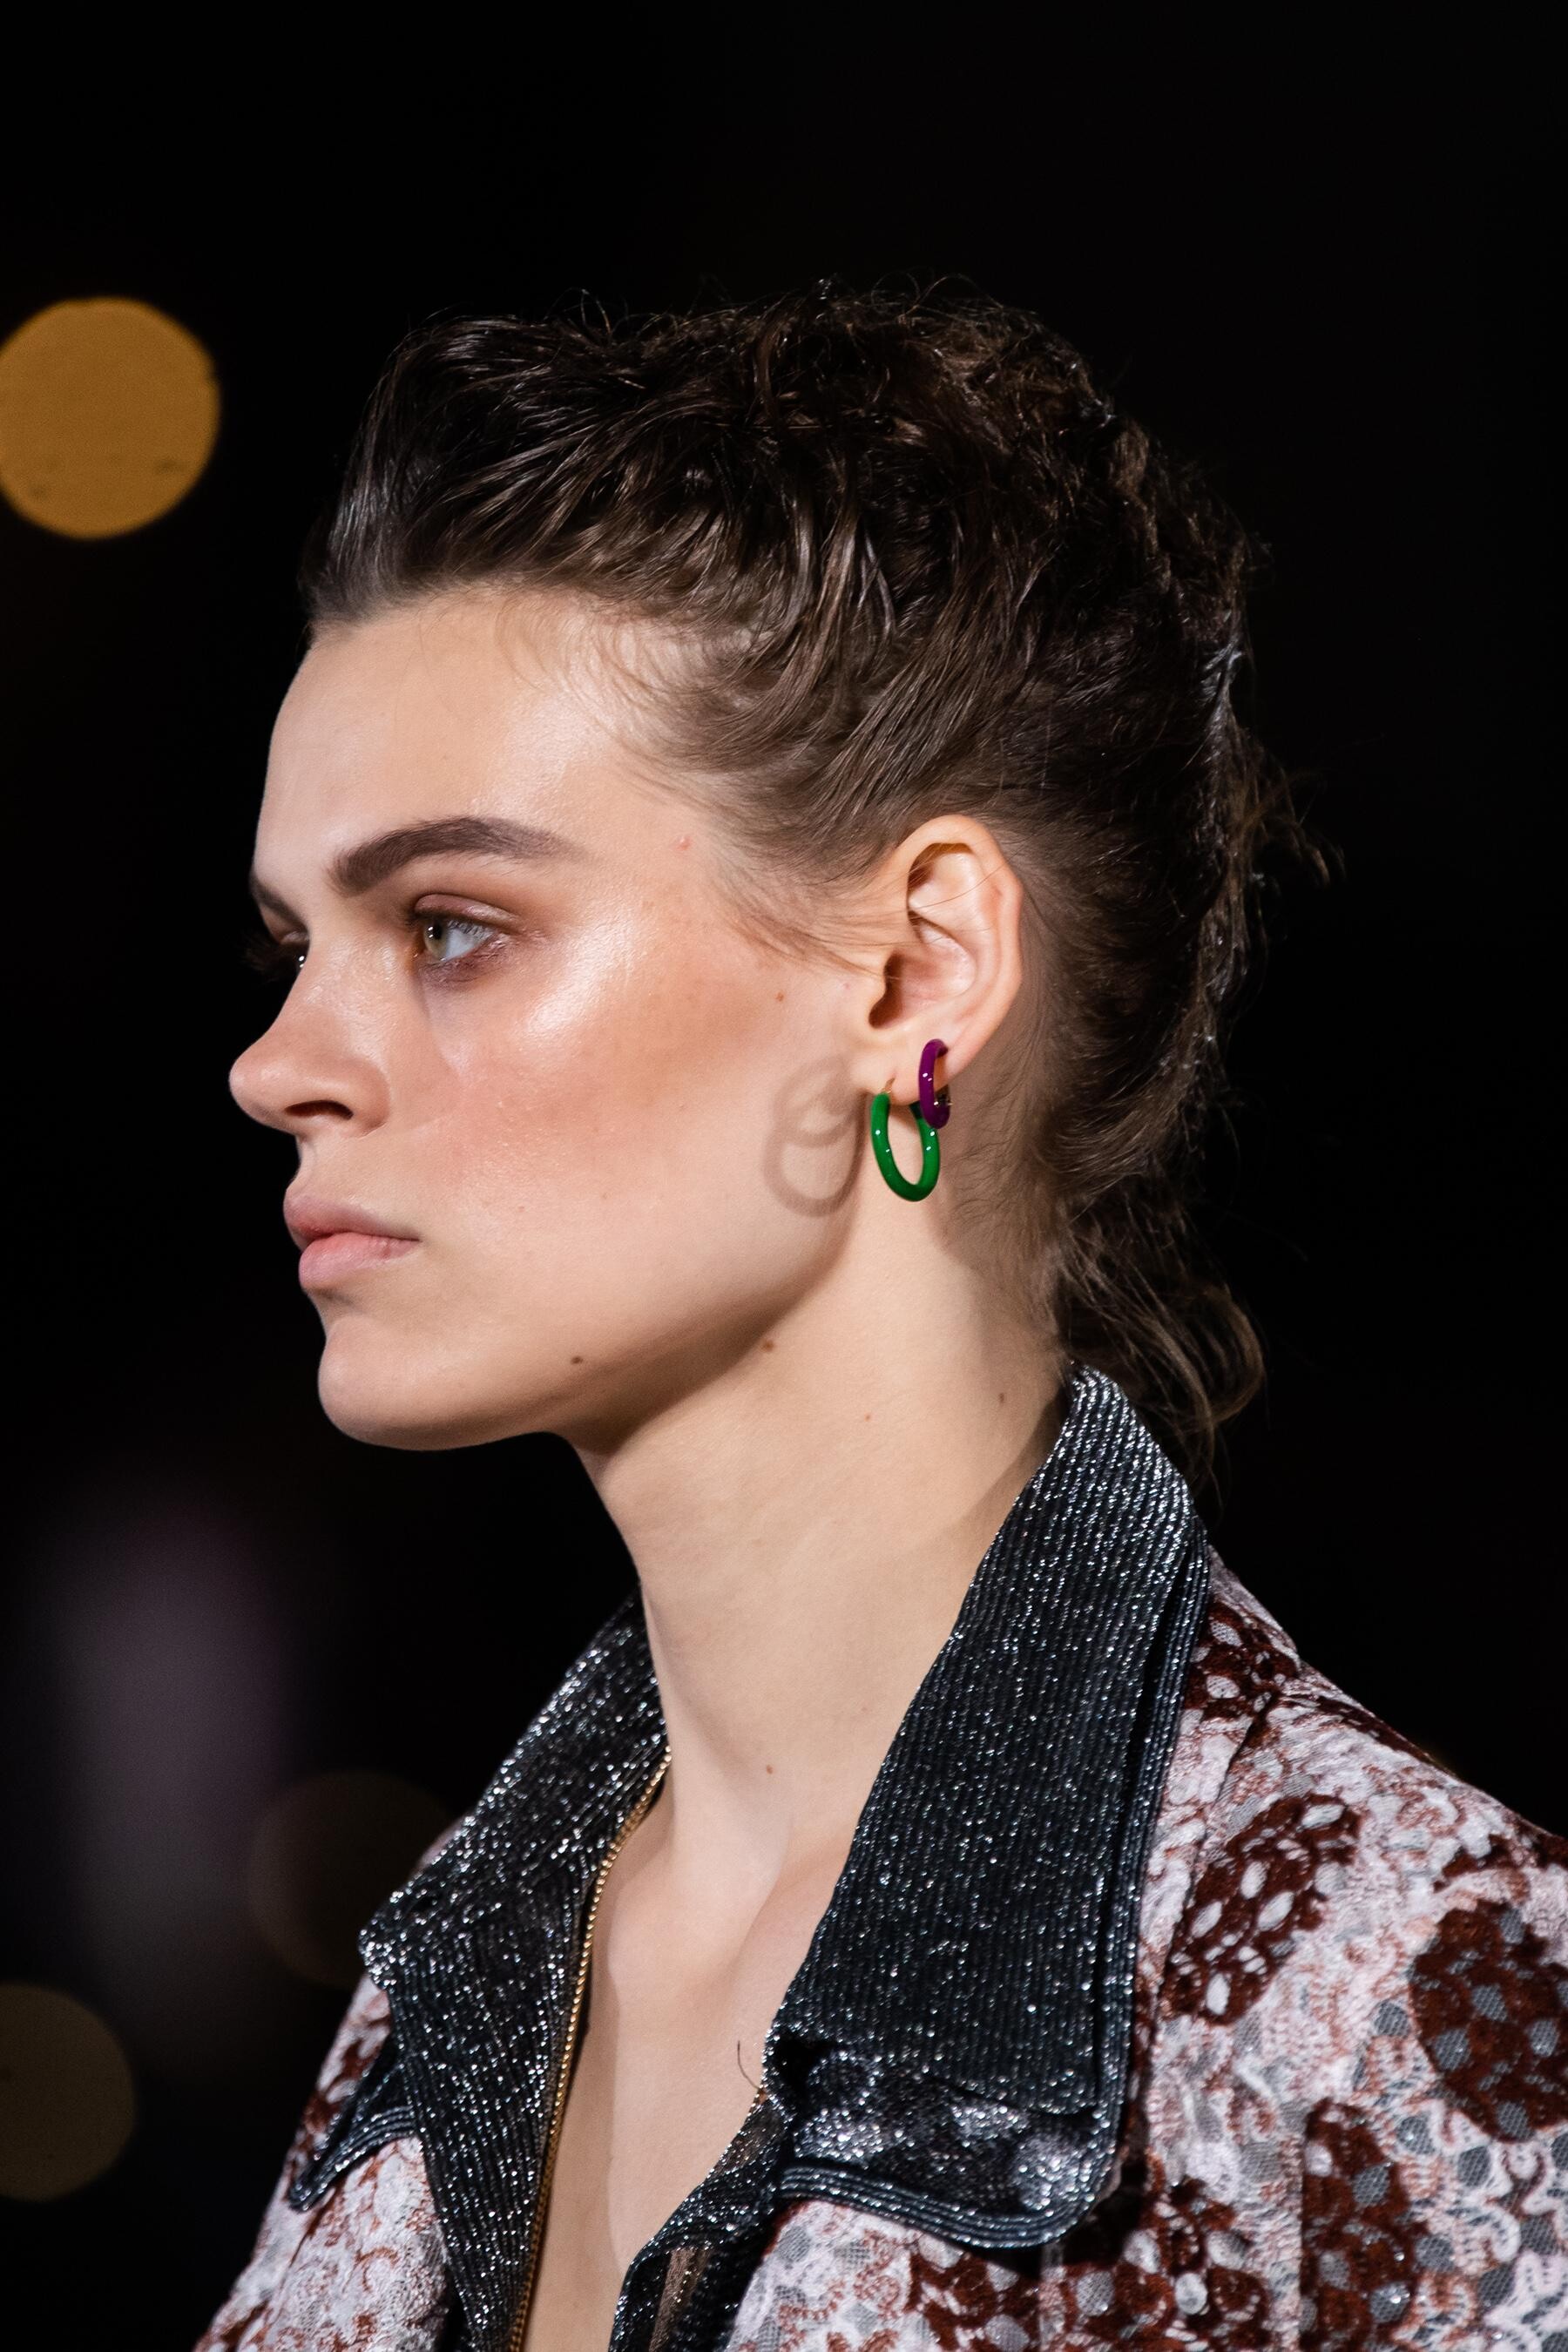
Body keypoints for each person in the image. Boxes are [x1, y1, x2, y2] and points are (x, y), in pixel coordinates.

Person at [199, 288, 1565, 2352]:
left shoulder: (1399, 1998)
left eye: (454, 927)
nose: (279, 1063)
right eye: (295, 946)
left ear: (917, 975)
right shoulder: (431, 2008)